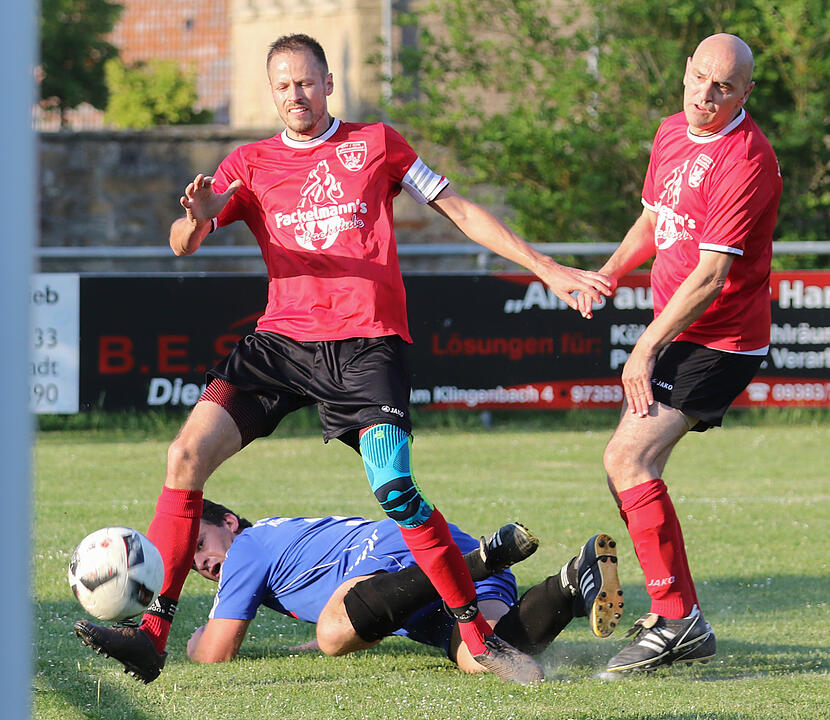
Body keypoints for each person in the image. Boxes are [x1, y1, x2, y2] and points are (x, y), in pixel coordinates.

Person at [74, 33, 613, 685]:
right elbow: (183, 242)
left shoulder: (376, 144)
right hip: (281, 343)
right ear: (272, 92)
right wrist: (197, 216)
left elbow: (458, 209)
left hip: (366, 345)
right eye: (282, 85)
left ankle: (476, 631)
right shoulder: (248, 162)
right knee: (185, 456)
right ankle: (152, 636)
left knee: (394, 489)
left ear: (329, 83)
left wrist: (545, 267)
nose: (294, 95)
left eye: (305, 82)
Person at [576, 34, 782, 674]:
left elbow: (712, 277)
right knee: (626, 467)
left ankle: (675, 619)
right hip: (678, 330)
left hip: (719, 340)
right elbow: (654, 220)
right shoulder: (670, 133)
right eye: (699, 78)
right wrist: (608, 271)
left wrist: (643, 347)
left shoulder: (747, 161)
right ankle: (677, 612)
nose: (706, 96)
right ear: (685, 73)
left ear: (745, 93)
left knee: (628, 456)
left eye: (724, 87)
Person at [185, 500, 624, 680]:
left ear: (227, 522)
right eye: (193, 565)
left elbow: (216, 652)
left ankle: (475, 563)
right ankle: (571, 580)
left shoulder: (244, 548)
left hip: (403, 553)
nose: (203, 563)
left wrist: (192, 644)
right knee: (488, 657)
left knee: (334, 634)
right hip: (417, 587)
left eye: (200, 544)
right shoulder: (268, 544)